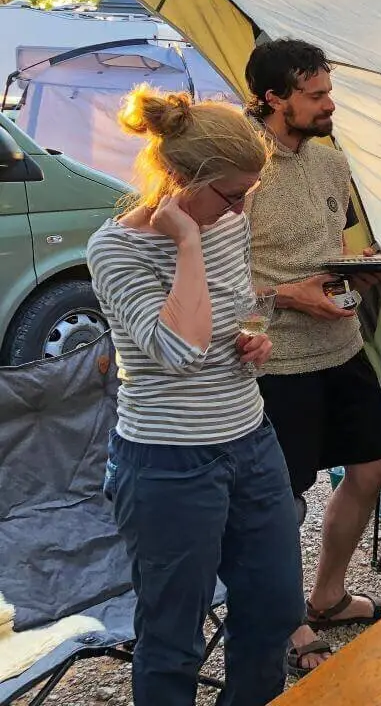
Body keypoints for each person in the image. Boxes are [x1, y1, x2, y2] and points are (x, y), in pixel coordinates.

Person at [86, 86, 302, 705]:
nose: (238, 211)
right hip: (167, 463)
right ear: (179, 176)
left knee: (273, 611)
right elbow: (176, 350)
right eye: (231, 195)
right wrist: (184, 242)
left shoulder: (225, 224)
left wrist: (248, 341)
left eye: (246, 197)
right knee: (172, 637)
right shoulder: (114, 249)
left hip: (250, 443)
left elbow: (221, 318)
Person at [242, 39, 381, 675]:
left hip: (341, 346)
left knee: (375, 469)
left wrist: (358, 276)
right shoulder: (237, 165)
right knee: (284, 498)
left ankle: (326, 595)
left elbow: (338, 245)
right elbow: (211, 280)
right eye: (316, 95)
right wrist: (286, 294)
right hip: (277, 361)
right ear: (274, 98)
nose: (330, 104)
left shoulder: (331, 162)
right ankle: (288, 622)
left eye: (329, 91)